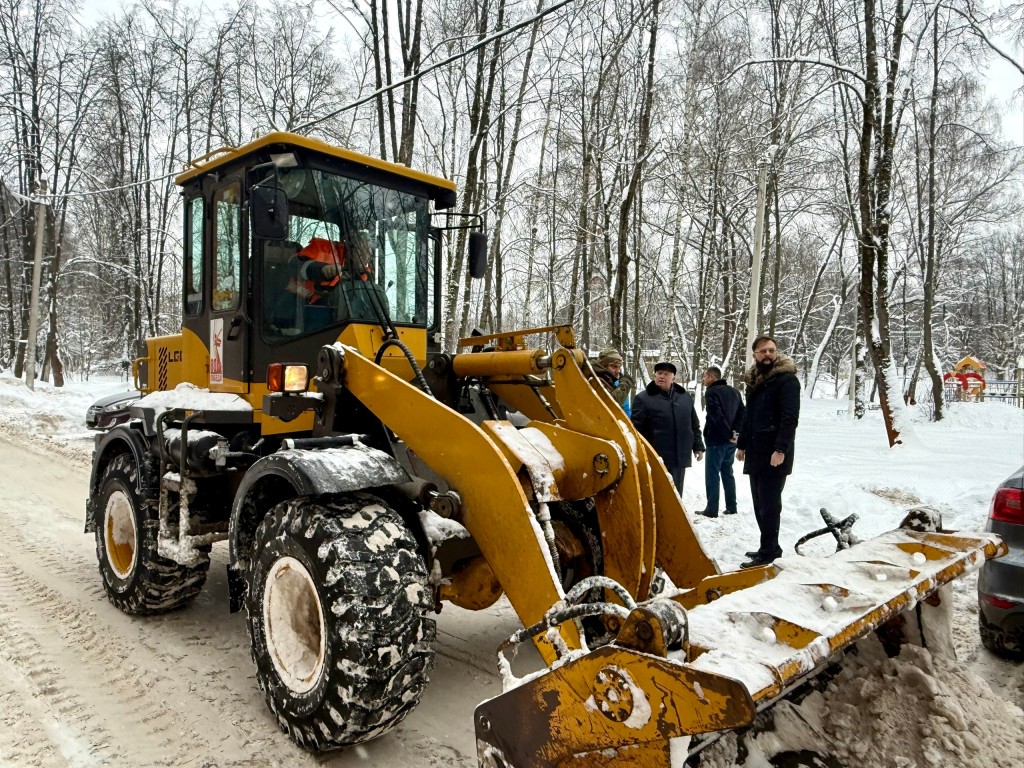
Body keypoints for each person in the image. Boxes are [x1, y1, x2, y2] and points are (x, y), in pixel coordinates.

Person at [736, 335, 801, 568]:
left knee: (770, 505)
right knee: (759, 504)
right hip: (756, 451)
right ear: (754, 354)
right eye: (762, 351)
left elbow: (789, 418)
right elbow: (749, 415)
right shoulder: (754, 380)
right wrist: (742, 444)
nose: (767, 354)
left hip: (775, 454)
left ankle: (770, 553)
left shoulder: (786, 380)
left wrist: (780, 449)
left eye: (771, 350)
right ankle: (768, 547)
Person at [631, 361, 705, 494]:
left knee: (676, 494)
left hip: (679, 456)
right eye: (659, 373)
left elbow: (693, 424)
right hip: (656, 457)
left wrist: (698, 446)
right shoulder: (643, 398)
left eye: (666, 374)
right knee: (657, 495)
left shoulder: (684, 397)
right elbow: (636, 429)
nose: (661, 376)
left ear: (673, 377)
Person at [696, 366, 745, 518]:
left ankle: (712, 509)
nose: (703, 380)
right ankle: (731, 506)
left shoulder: (711, 392)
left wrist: (727, 434)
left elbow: (716, 416)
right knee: (727, 472)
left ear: (711, 377)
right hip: (732, 441)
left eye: (704, 377)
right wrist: (735, 433)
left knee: (712, 474)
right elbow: (742, 413)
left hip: (716, 439)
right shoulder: (735, 391)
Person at [594, 348, 633, 416]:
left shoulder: (608, 381)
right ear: (602, 365)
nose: (618, 371)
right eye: (614, 366)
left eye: (619, 367)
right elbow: (611, 405)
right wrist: (625, 385)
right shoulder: (595, 380)